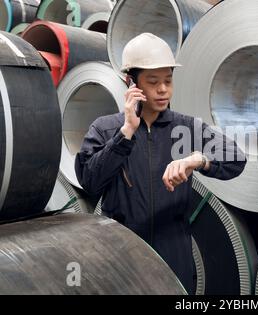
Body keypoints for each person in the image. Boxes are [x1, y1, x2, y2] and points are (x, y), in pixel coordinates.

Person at [74, 33, 246, 294]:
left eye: (168, 80)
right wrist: (126, 133)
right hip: (122, 254)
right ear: (130, 82)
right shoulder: (106, 129)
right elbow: (89, 181)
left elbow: (236, 157)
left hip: (173, 255)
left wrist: (198, 159)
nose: (163, 89)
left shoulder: (185, 127)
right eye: (153, 82)